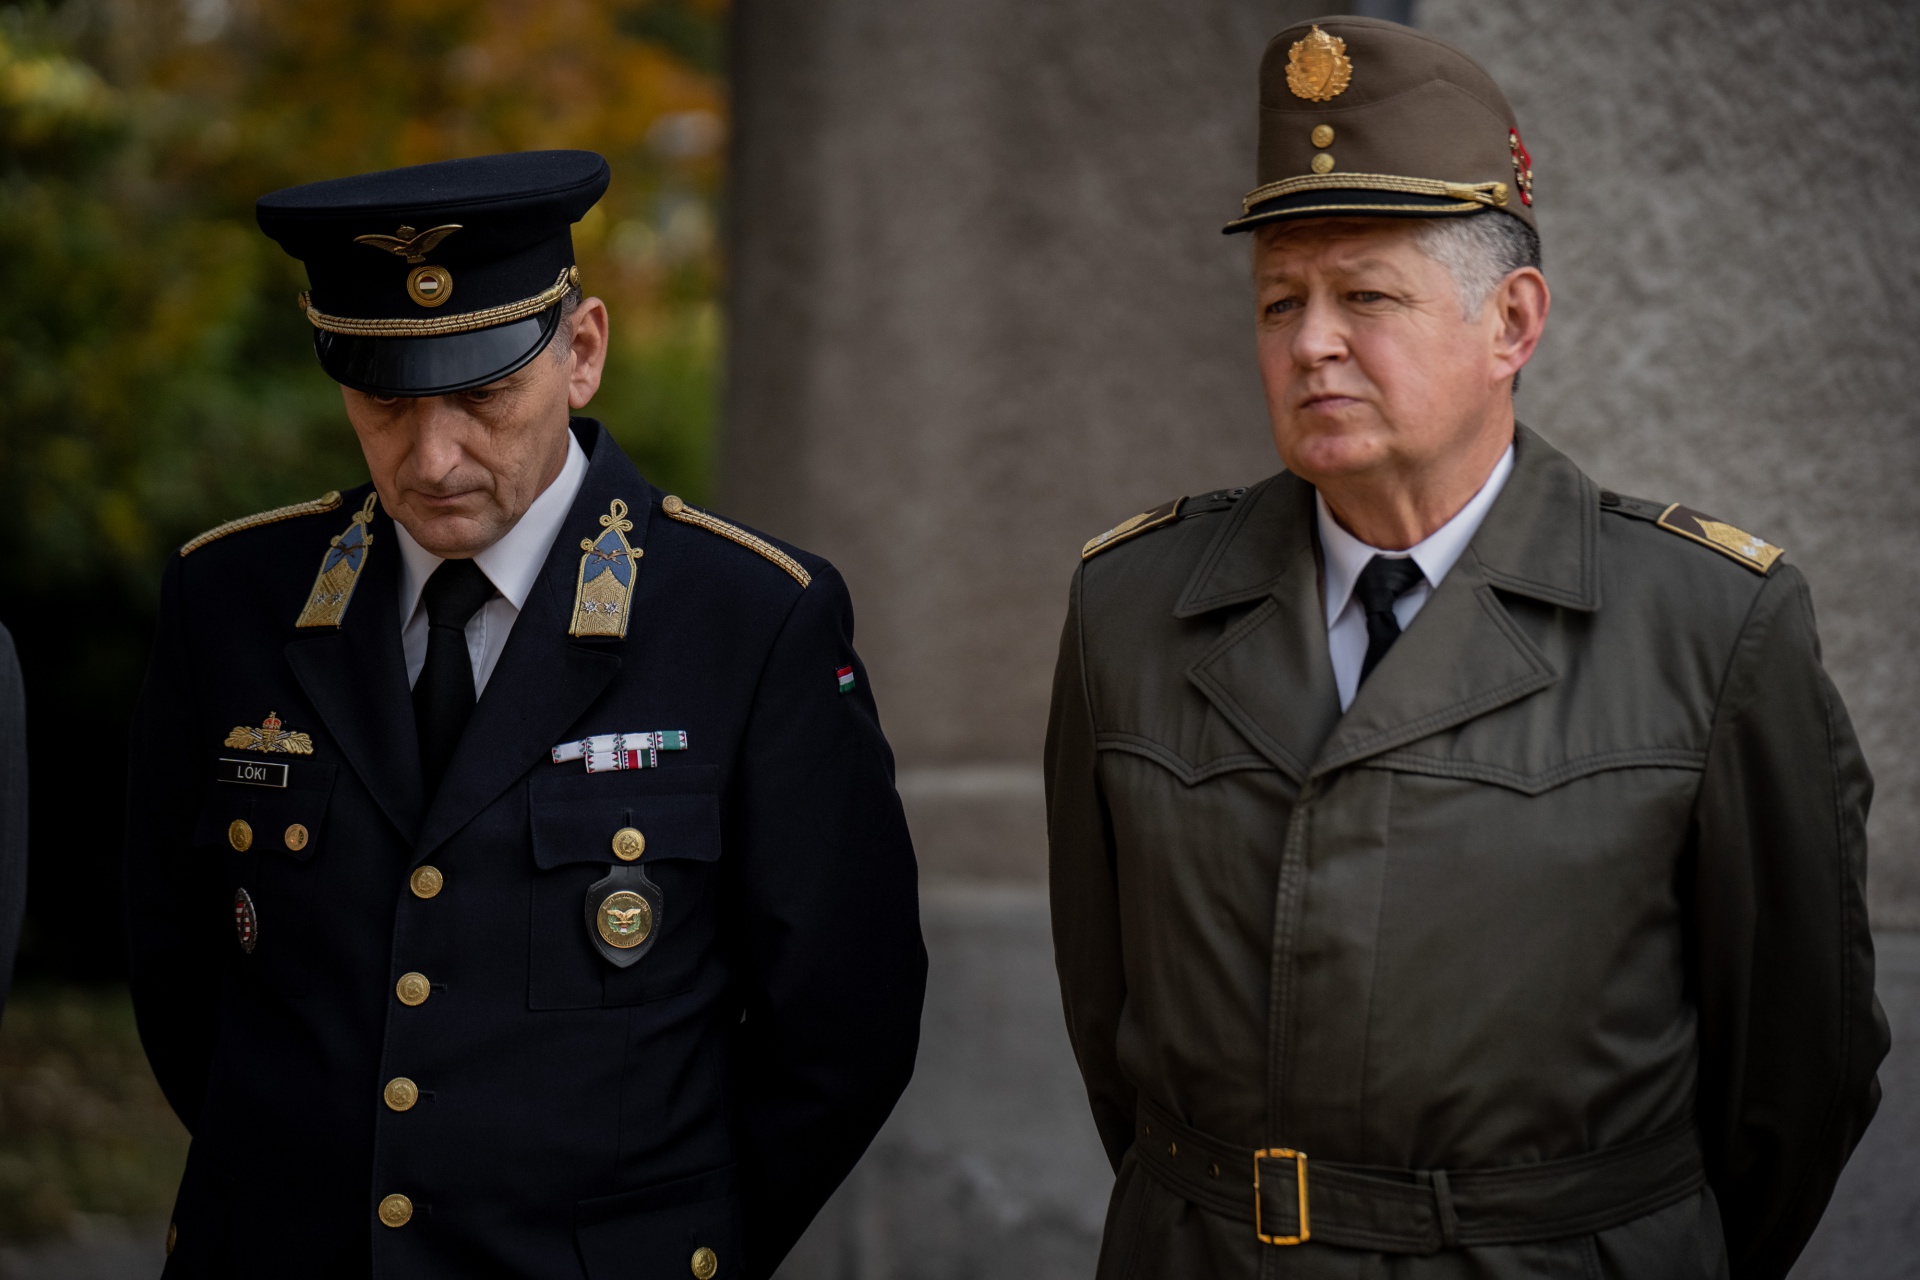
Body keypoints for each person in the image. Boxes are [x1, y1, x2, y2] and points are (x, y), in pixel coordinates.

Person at [1046, 17, 1885, 1279]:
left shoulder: (1710, 624)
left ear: (1513, 322)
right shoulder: (1132, 606)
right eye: (1279, 300)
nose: (1311, 341)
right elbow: (1107, 1015)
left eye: (1365, 295)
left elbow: (1798, 1076)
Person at [125, 150, 926, 1279]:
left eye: (482, 393)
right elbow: (176, 965)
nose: (432, 455)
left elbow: (844, 1025)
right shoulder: (229, 599)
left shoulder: (749, 620)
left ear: (581, 352)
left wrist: (664, 1248)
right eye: (386, 400)